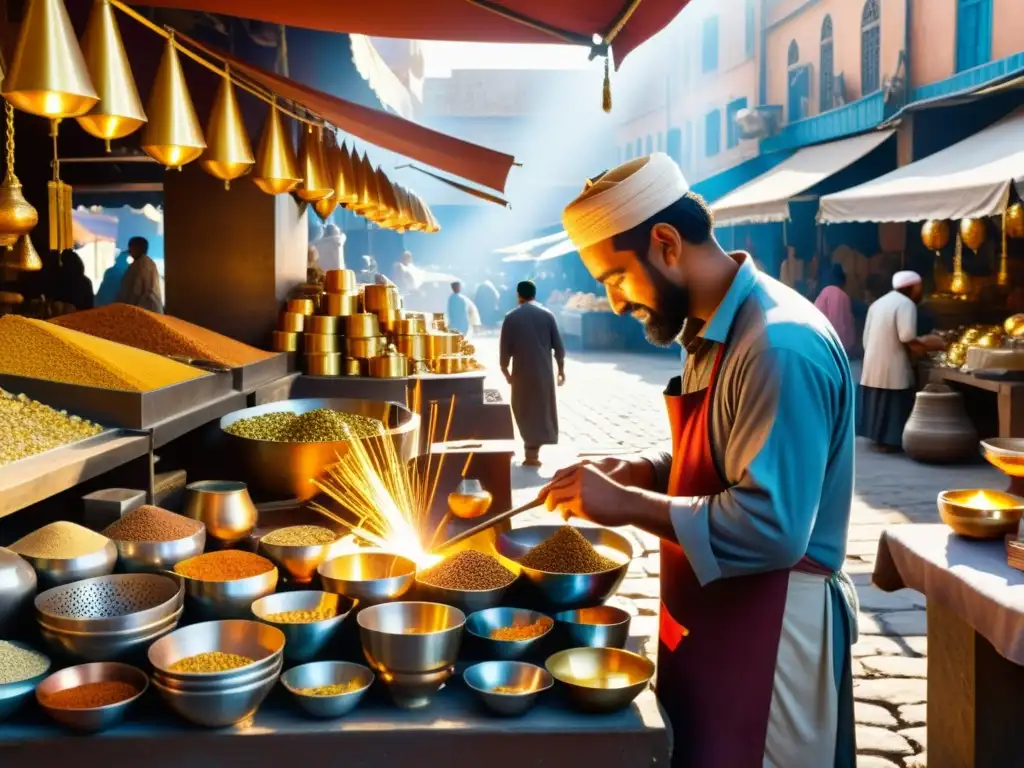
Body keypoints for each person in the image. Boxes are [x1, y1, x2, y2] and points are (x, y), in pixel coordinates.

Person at [545, 153, 857, 767]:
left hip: (773, 630)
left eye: (614, 277)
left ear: (664, 243)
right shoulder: (712, 327)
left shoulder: (778, 345)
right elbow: (726, 456)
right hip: (716, 615)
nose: (612, 303)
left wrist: (630, 505)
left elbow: (773, 527)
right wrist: (647, 470)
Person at [858, 271, 945, 451]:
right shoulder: (906, 304)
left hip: (873, 360)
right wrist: (929, 342)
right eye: (919, 288)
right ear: (913, 287)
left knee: (878, 398)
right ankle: (890, 440)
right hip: (893, 361)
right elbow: (906, 335)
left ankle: (878, 437)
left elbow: (865, 338)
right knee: (894, 399)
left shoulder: (878, 303)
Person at [499, 280, 565, 467]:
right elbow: (558, 347)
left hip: (522, 372)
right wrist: (560, 369)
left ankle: (531, 450)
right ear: (535, 294)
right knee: (541, 408)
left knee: (524, 408)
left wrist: (506, 371)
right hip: (544, 372)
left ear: (518, 294)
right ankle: (533, 451)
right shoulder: (547, 315)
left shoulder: (511, 317)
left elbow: (505, 349)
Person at [815, 264, 857, 357]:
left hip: (824, 343)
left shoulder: (826, 292)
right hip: (837, 347)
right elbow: (840, 321)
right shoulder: (840, 294)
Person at [116, 236, 163, 313]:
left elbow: (136, 290)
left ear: (137, 248)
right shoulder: (142, 263)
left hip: (143, 310)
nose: (129, 251)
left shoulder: (142, 264)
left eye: (131, 247)